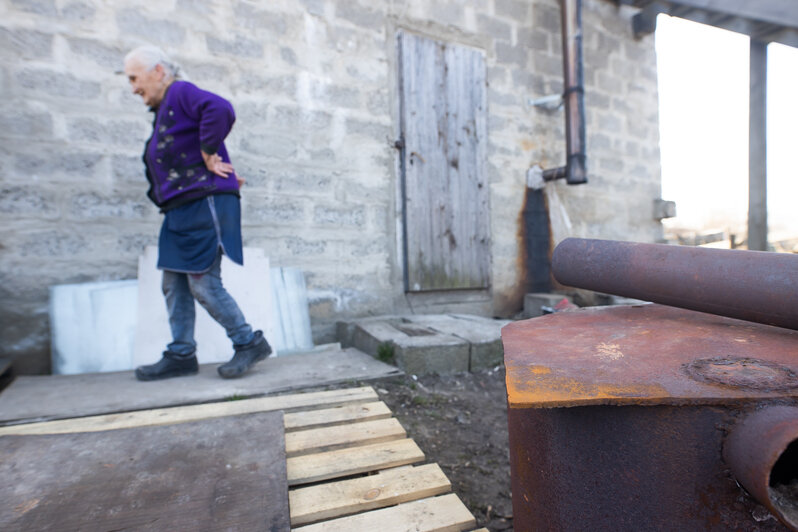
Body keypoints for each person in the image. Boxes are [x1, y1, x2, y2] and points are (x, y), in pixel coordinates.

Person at [123, 45, 271, 381]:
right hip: (179, 210)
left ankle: (248, 342)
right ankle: (181, 353)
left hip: (202, 203)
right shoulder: (164, 109)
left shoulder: (180, 92)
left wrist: (208, 153)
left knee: (203, 283)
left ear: (158, 71)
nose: (133, 87)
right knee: (174, 283)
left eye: (134, 78)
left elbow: (219, 108)